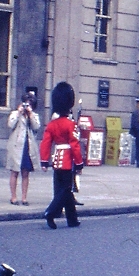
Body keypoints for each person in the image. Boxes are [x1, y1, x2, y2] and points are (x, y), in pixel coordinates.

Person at [39, 82, 83, 229]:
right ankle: (50, 212)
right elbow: (74, 145)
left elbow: (45, 143)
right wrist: (79, 163)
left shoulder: (52, 124)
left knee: (65, 190)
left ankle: (72, 219)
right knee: (65, 190)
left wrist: (44, 161)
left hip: (56, 159)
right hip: (67, 160)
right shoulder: (70, 124)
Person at [5, 92, 41, 205]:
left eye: (29, 105)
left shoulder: (34, 115)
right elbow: (10, 125)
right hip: (16, 145)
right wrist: (19, 112)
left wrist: (30, 114)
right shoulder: (15, 113)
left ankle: (24, 197)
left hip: (28, 146)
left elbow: (36, 127)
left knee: (26, 173)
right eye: (26, 104)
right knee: (14, 171)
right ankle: (13, 197)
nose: (27, 106)